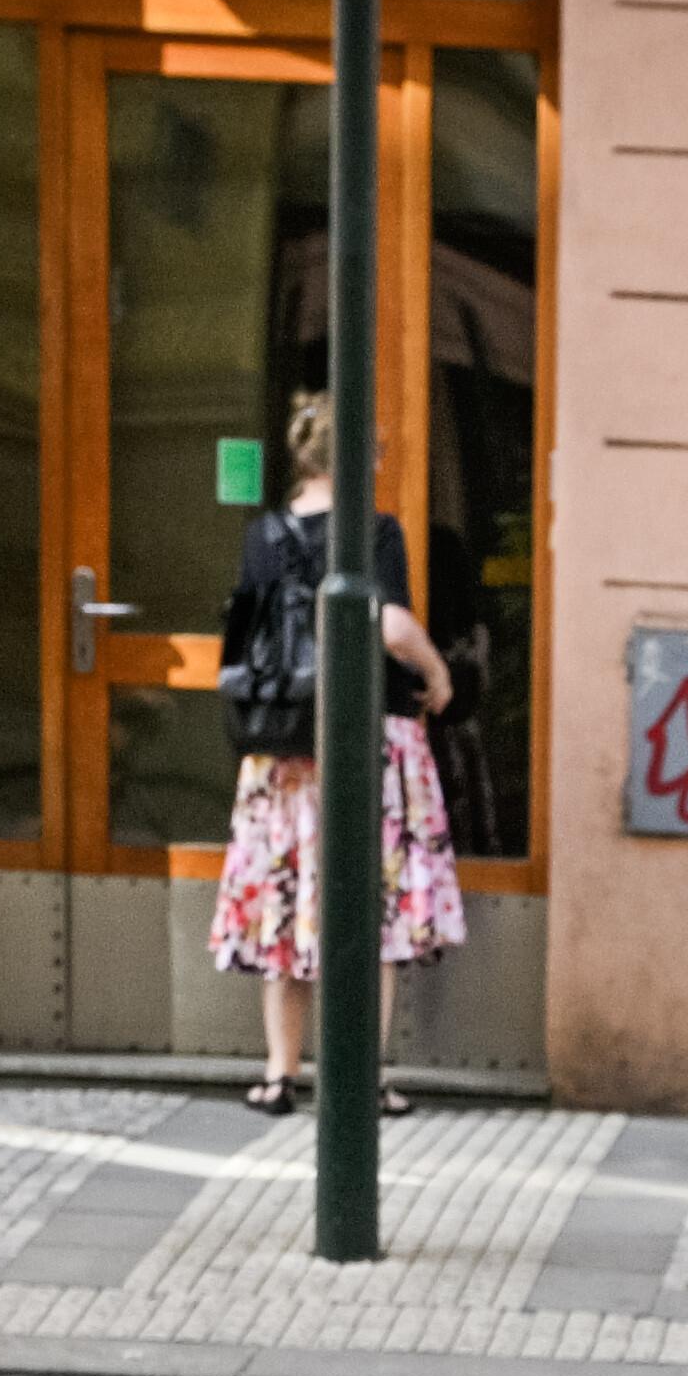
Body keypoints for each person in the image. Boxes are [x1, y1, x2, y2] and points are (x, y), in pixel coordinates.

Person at [211, 396, 461, 1116]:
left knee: (287, 912)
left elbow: (251, 638)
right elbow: (388, 622)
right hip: (364, 741)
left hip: (282, 753)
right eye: (375, 454)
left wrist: (280, 735)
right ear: (357, 460)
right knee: (368, 913)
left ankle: (278, 1073)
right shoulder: (373, 531)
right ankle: (363, 1076)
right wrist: (437, 672)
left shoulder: (264, 534)